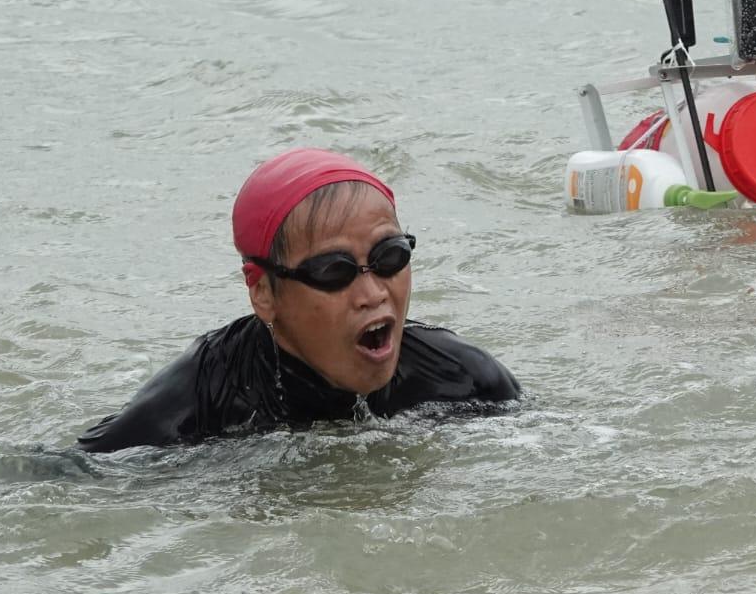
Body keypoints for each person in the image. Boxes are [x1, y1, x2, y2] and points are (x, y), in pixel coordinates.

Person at [78, 149, 519, 453]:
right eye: (333, 272)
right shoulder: (193, 408)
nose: (373, 293)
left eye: (390, 257)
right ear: (264, 294)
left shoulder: (466, 382)